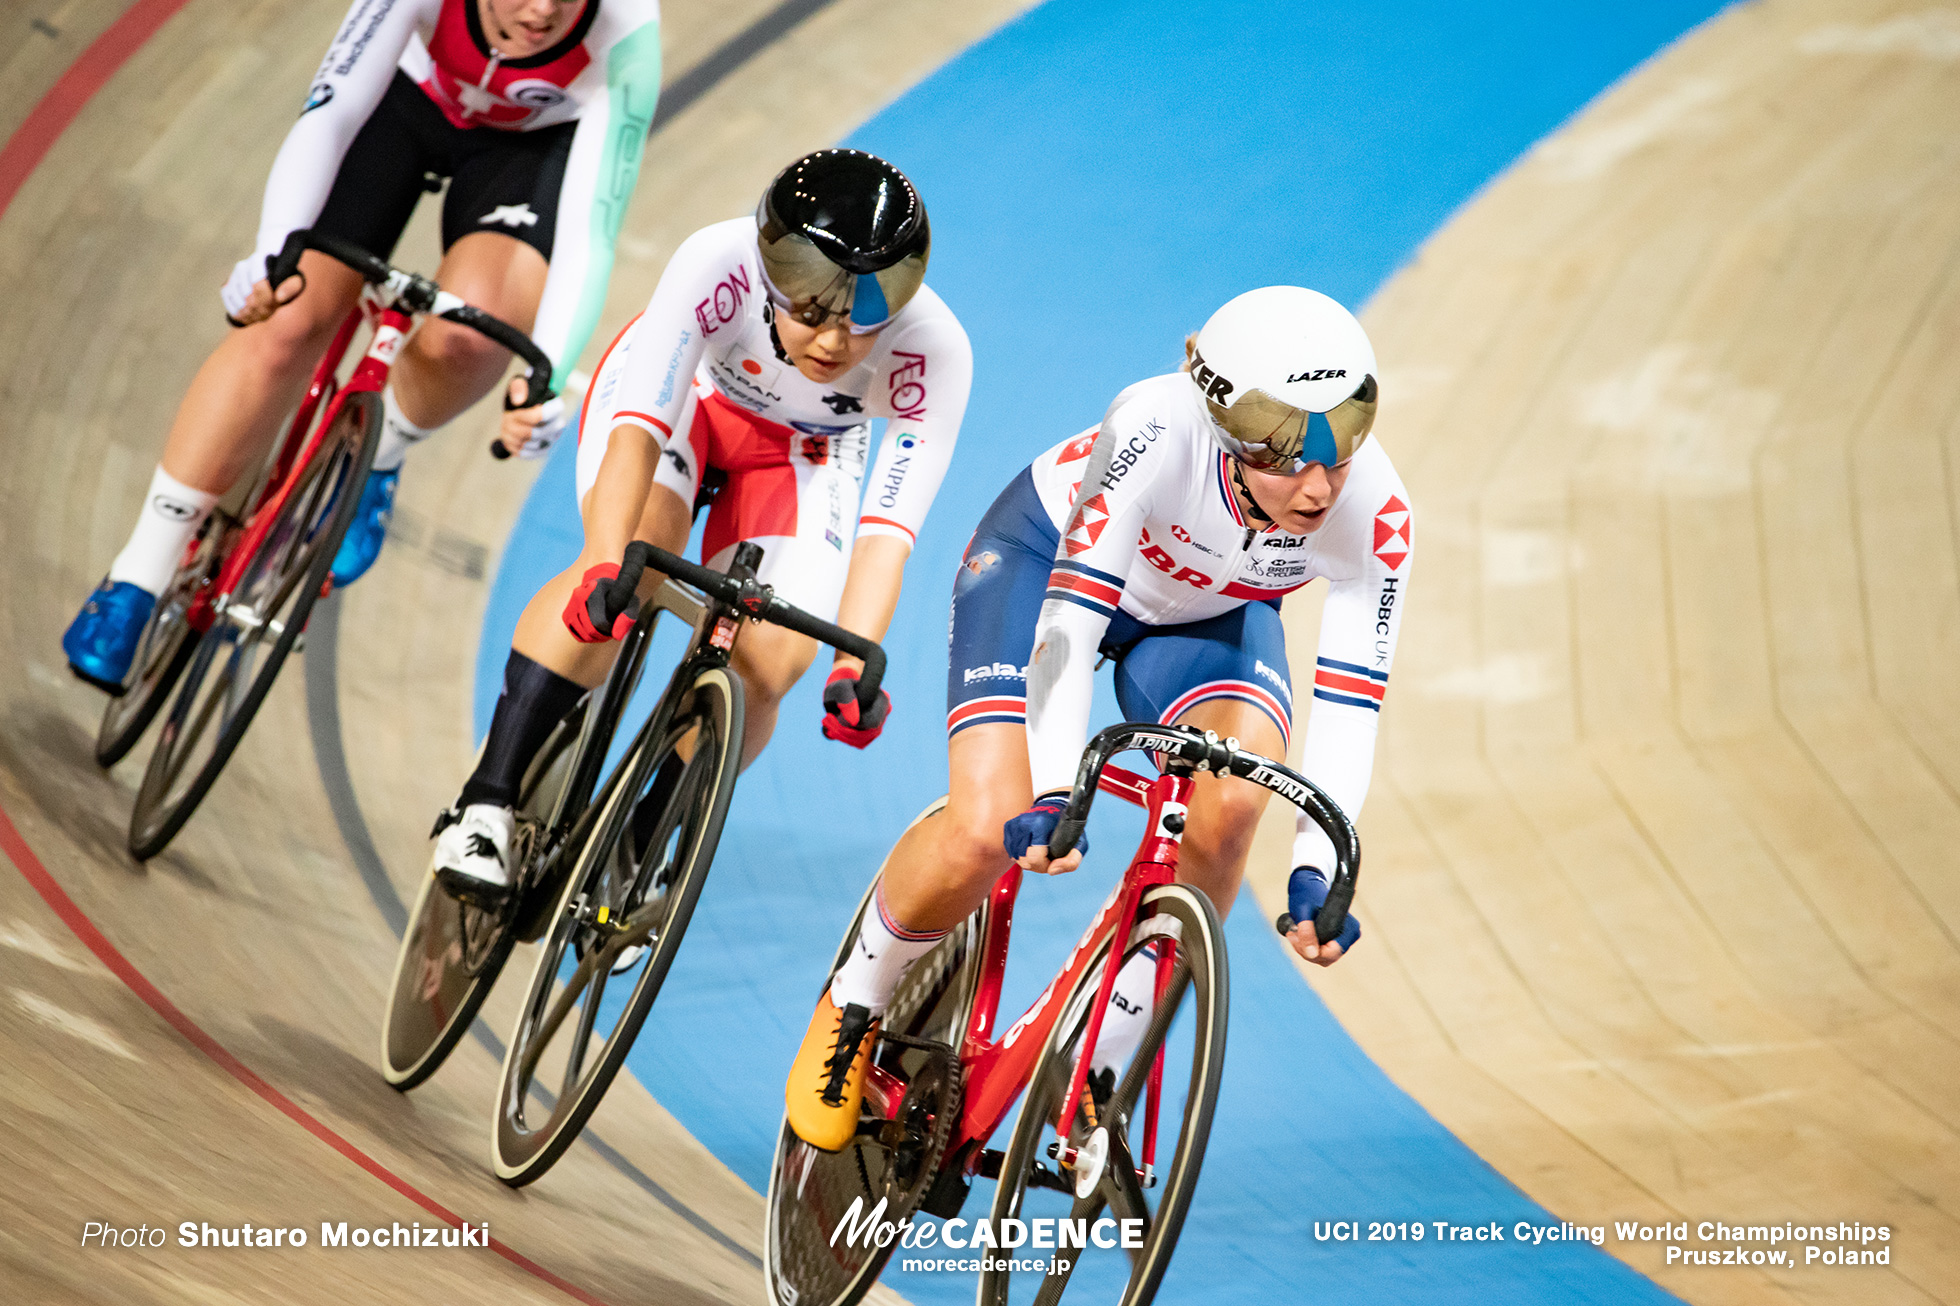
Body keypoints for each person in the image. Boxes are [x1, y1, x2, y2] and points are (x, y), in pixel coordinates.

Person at [783, 285, 1412, 1151]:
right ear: (1226, 427)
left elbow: (1353, 702)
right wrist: (1049, 790)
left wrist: (1320, 866)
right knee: (986, 825)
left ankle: (1104, 1058)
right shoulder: (1156, 428)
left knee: (1232, 804)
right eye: (1287, 455)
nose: (1317, 485)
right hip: (1049, 564)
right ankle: (854, 1001)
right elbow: (1068, 632)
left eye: (1340, 446)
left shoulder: (1376, 512)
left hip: (1203, 622)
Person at [62, 0, 662, 691]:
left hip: (529, 149)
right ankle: (138, 574)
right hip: (400, 102)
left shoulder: (629, 37)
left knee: (469, 336)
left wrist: (546, 373)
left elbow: (592, 229)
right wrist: (272, 252)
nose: (541, 11)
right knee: (287, 316)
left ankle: (379, 454)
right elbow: (334, 110)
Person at [430, 148, 972, 899]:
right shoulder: (717, 262)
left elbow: (888, 534)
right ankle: (484, 802)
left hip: (803, 452)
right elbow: (640, 427)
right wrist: (601, 560)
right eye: (809, 308)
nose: (832, 341)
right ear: (770, 271)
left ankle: (640, 842)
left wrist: (853, 662)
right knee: (632, 566)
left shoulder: (935, 350)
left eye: (861, 319)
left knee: (774, 661)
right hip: (688, 403)